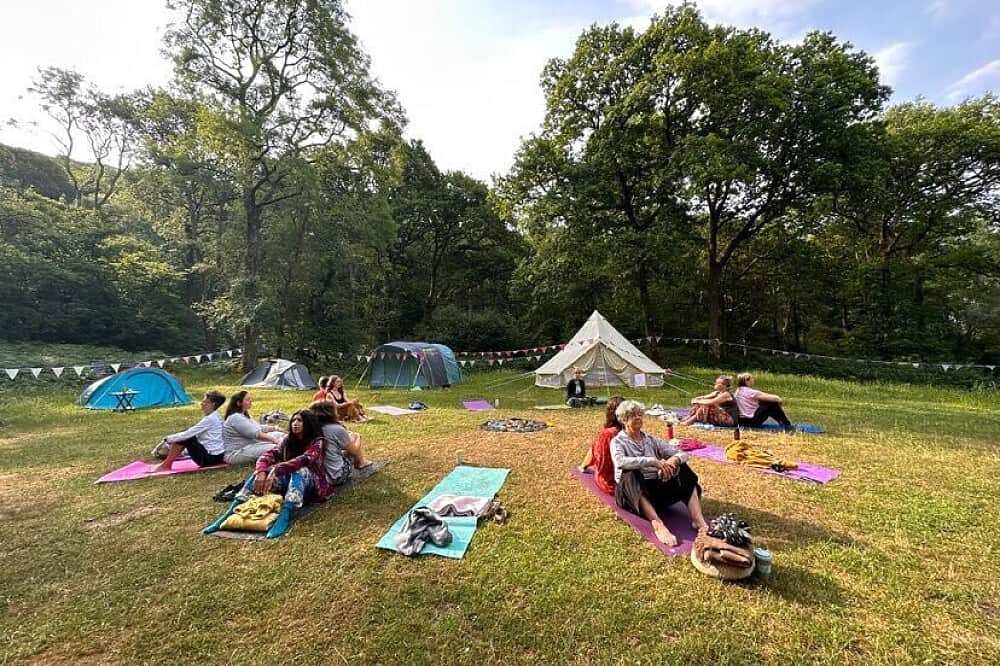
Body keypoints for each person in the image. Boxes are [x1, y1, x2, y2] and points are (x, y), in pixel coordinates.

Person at [205, 410, 350, 538]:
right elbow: (269, 454)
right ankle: (228, 514)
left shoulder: (319, 442)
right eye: (294, 420)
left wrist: (276, 469)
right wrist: (262, 470)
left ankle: (285, 515)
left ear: (308, 423)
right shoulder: (288, 440)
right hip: (289, 483)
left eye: (300, 421)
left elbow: (304, 459)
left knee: (299, 470)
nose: (295, 423)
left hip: (313, 486)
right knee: (258, 474)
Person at [611, 400, 709, 546]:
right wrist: (652, 461)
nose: (638, 418)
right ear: (624, 420)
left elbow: (681, 453)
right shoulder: (618, 441)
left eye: (639, 414)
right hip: (633, 494)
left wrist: (673, 461)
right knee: (630, 473)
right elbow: (620, 462)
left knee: (682, 467)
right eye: (632, 415)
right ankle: (658, 524)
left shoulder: (650, 439)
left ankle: (698, 519)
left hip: (655, 492)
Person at [150, 390, 227, 472]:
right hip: (217, 456)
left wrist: (167, 439)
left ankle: (166, 465)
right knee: (185, 437)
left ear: (213, 404)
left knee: (184, 438)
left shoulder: (210, 419)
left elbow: (187, 434)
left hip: (211, 459)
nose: (202, 404)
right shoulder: (215, 416)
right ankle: (167, 463)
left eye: (205, 402)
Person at [221, 390, 284, 465]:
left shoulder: (244, 415)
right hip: (236, 453)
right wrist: (275, 440)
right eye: (247, 399)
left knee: (279, 434)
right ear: (239, 403)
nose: (251, 401)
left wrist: (275, 428)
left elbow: (258, 427)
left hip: (252, 444)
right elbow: (257, 434)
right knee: (276, 447)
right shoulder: (235, 418)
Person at [577, 396, 624, 494]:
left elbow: (597, 454)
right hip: (630, 480)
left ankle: (583, 465)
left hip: (611, 482)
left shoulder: (607, 434)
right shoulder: (631, 430)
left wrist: (584, 466)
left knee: (598, 442)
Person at [310, 401, 373, 469]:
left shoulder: (311, 428)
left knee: (349, 439)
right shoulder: (336, 429)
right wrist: (358, 437)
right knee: (354, 438)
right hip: (336, 472)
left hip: (317, 469)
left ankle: (362, 461)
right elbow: (354, 451)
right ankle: (362, 462)